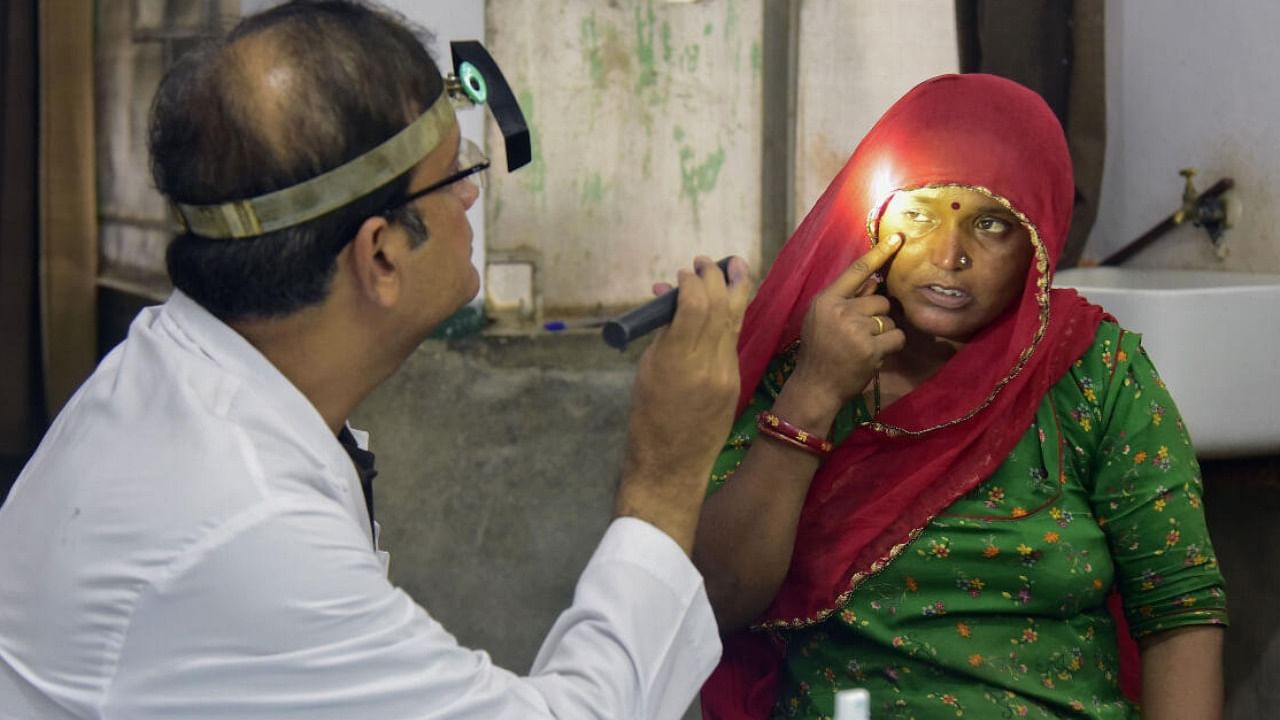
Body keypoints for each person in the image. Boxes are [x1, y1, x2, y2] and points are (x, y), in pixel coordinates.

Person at [0, 2, 750, 718]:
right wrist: (665, 472)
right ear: (382, 254)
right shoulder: (247, 526)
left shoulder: (173, 375)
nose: (469, 206)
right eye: (458, 176)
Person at [693, 74, 1227, 719]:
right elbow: (712, 599)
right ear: (873, 220)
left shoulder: (1094, 372)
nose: (949, 255)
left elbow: (1179, 612)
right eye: (918, 216)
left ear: (1038, 238)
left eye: (992, 224)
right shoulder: (805, 367)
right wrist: (813, 393)